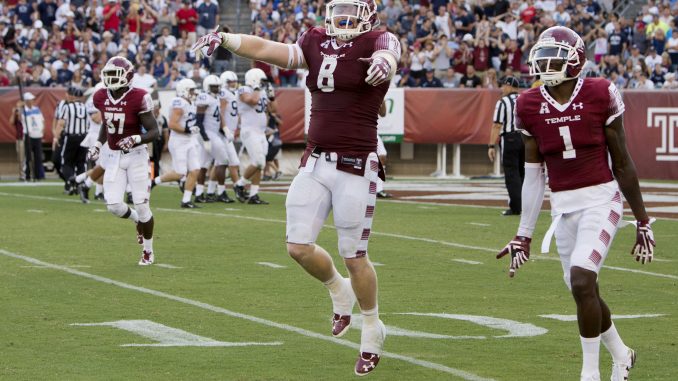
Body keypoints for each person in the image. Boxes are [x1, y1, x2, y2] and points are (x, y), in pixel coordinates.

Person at [191, 0, 400, 373]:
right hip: (316, 159)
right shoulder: (316, 38)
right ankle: (338, 289)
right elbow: (271, 51)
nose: (343, 17)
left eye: (351, 10)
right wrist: (226, 38)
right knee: (297, 247)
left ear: (368, 13)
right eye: (339, 9)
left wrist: (385, 64)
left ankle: (372, 326)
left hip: (356, 163)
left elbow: (390, 54)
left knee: (355, 255)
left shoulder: (379, 39)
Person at [497, 26, 655, 381]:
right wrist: (523, 234)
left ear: (575, 60)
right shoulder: (528, 104)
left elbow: (624, 161)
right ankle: (622, 354)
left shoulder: (601, 92)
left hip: (602, 199)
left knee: (583, 281)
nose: (545, 64)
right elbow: (534, 174)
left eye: (554, 56)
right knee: (584, 292)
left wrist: (643, 220)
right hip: (563, 208)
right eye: (542, 56)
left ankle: (589, 374)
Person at [89, 56, 160, 265]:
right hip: (113, 156)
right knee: (114, 206)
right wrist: (97, 144)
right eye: (108, 74)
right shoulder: (100, 96)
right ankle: (136, 220)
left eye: (115, 75)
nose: (111, 79)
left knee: (142, 204)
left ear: (128, 76)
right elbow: (106, 123)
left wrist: (136, 138)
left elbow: (154, 131)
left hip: (137, 155)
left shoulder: (139, 97)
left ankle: (148, 251)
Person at [151, 78, 206, 208]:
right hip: (179, 141)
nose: (194, 92)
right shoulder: (179, 102)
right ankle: (154, 181)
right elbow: (172, 124)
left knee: (195, 169)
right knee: (180, 173)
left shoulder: (190, 102)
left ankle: (186, 200)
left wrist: (194, 128)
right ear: (184, 91)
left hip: (189, 140)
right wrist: (188, 129)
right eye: (191, 90)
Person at [193, 74, 236, 203]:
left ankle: (200, 194)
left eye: (217, 86)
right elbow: (198, 121)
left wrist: (225, 130)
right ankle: (221, 192)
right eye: (213, 86)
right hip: (207, 133)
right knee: (223, 161)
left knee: (204, 164)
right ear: (207, 86)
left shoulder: (215, 98)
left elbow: (217, 119)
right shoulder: (204, 97)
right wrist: (205, 138)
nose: (216, 88)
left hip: (212, 133)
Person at [232, 68, 271, 205]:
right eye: (261, 81)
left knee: (260, 164)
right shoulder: (244, 89)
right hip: (249, 131)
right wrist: (257, 88)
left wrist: (272, 96)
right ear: (254, 80)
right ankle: (239, 184)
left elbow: (273, 109)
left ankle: (254, 194)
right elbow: (252, 101)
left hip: (260, 132)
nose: (263, 84)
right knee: (259, 162)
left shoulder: (261, 91)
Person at [488, 76, 523, 216]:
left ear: (509, 86)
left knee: (511, 173)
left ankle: (516, 207)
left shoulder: (503, 102)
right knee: (524, 174)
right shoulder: (524, 99)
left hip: (510, 139)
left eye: (504, 86)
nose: (502, 89)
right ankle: (526, 206)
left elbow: (497, 125)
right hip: (526, 139)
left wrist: (491, 145)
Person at [56, 87, 89, 193]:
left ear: (74, 96)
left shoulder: (68, 107)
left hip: (71, 137)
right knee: (81, 163)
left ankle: (71, 182)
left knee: (66, 162)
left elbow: (61, 123)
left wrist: (56, 137)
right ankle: (80, 184)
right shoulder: (86, 107)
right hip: (84, 137)